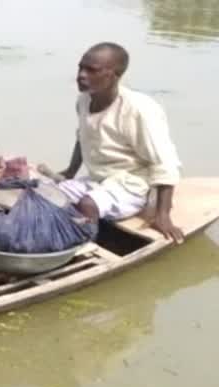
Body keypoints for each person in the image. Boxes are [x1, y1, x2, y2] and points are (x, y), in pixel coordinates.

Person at [50, 42, 183, 242]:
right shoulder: (85, 100)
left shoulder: (140, 110)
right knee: (48, 197)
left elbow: (165, 163)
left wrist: (163, 215)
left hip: (134, 184)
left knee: (88, 205)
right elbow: (83, 137)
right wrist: (70, 172)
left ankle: (82, 249)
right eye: (81, 67)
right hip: (99, 178)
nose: (81, 75)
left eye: (91, 70)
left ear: (113, 75)